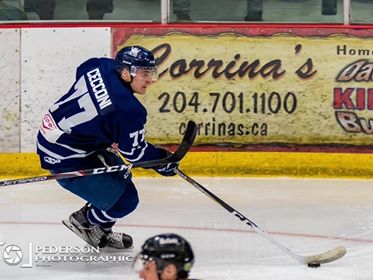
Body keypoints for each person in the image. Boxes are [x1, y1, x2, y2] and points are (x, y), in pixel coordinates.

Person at [36, 45, 179, 249]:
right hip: (65, 157)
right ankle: (85, 221)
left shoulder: (101, 65)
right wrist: (163, 160)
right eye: (145, 73)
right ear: (125, 72)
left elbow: (82, 70)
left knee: (121, 179)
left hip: (55, 136)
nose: (150, 80)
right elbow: (135, 154)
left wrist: (103, 127)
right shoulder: (129, 110)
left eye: (151, 72)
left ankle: (100, 229)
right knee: (125, 201)